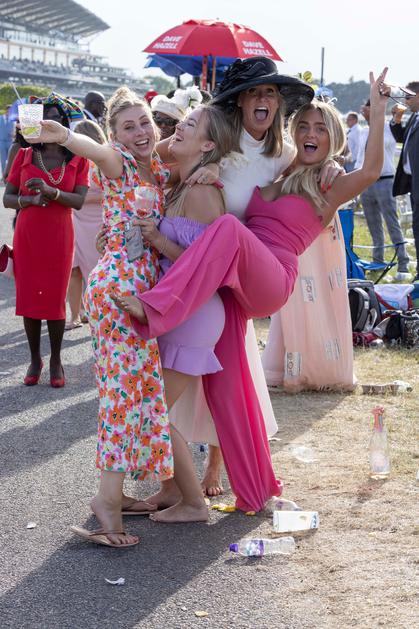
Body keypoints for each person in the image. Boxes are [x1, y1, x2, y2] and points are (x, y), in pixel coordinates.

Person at [112, 68, 389, 512]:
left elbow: (372, 169)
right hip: (233, 279)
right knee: (228, 389)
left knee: (225, 227)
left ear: (334, 138)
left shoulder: (330, 183)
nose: (311, 133)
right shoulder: (282, 168)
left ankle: (157, 306)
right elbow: (169, 161)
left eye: (321, 129)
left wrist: (378, 111)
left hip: (272, 277)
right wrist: (210, 166)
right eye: (305, 126)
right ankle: (255, 491)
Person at [27, 87, 219, 545]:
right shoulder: (120, 162)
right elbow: (96, 152)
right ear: (115, 135)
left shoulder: (159, 167)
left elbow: (200, 148)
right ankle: (107, 502)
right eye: (128, 126)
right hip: (119, 294)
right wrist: (65, 137)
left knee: (138, 396)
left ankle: (119, 494)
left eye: (144, 122)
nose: (140, 132)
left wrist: (211, 167)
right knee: (122, 400)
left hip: (139, 297)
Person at [170, 57, 338, 498]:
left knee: (228, 375)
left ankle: (215, 467)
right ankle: (172, 478)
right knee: (188, 380)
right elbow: (172, 169)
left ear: (278, 104)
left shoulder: (283, 155)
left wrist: (334, 166)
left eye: (271, 93)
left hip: (241, 276)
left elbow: (312, 173)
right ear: (240, 102)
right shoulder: (217, 143)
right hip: (197, 266)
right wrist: (205, 169)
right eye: (254, 92)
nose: (263, 99)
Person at [3, 95, 89, 388]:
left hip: (59, 235)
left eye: (55, 116)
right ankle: (34, 359)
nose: (48, 121)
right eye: (43, 116)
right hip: (28, 234)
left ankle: (55, 360)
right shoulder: (25, 154)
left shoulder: (78, 158)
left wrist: (51, 193)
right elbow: (7, 198)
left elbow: (78, 201)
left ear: (64, 123)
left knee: (54, 299)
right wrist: (28, 200)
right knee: (28, 298)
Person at [356, 99, 410, 280]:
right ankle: (377, 261)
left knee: (392, 223)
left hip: (385, 180)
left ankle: (403, 263)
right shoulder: (363, 131)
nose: (363, 109)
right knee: (373, 225)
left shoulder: (389, 128)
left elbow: (393, 141)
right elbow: (359, 157)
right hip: (366, 182)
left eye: (367, 107)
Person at [65, 120, 106, 330]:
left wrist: (81, 197)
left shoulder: (104, 161)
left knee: (95, 272)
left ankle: (98, 313)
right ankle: (75, 315)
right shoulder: (71, 161)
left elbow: (110, 193)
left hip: (96, 224)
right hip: (74, 220)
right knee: (73, 270)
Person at [390, 81, 419, 282]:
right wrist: (396, 121)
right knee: (417, 228)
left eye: (408, 97)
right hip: (413, 184)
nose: (405, 101)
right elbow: (402, 138)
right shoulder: (414, 117)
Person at [0, 105, 14, 177]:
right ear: (6, 111)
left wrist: (14, 134)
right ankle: (4, 176)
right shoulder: (0, 118)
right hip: (1, 141)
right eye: (9, 111)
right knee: (3, 160)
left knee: (11, 160)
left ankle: (10, 176)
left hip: (10, 142)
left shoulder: (13, 119)